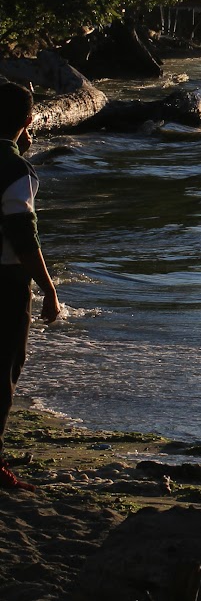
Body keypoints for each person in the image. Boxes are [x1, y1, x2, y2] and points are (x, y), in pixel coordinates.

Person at [1, 81, 61, 491]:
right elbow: (23, 236)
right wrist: (49, 289)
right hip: (4, 281)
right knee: (4, 368)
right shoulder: (16, 170)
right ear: (28, 122)